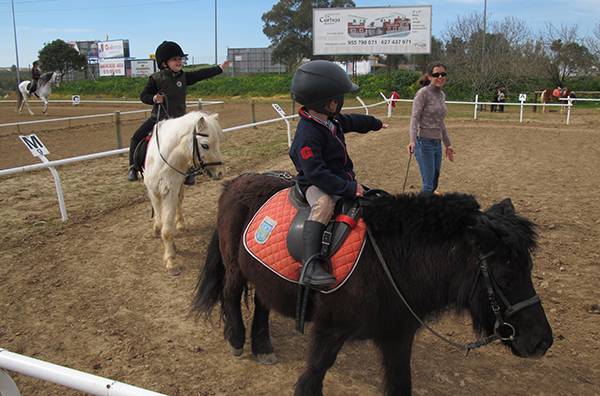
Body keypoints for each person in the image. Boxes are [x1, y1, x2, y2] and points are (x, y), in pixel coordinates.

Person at [289, 60, 388, 290]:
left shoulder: (329, 120)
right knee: (323, 205)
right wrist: (348, 188)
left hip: (339, 178)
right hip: (315, 183)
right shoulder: (308, 134)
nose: (341, 102)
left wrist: (374, 123)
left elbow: (352, 120)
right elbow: (316, 173)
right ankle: (310, 264)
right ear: (325, 102)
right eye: (338, 98)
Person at [127, 41, 228, 183]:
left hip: (180, 121)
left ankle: (188, 172)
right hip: (159, 118)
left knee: (191, 144)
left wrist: (219, 69)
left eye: (180, 59)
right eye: (175, 59)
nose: (179, 62)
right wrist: (154, 98)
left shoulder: (184, 77)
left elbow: (201, 74)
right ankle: (134, 167)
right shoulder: (155, 79)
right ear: (164, 63)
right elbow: (143, 96)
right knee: (136, 137)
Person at [406, 62, 455, 194]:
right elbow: (414, 118)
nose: (440, 77)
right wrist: (412, 141)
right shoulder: (423, 93)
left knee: (434, 183)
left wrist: (448, 145)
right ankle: (420, 212)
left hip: (437, 143)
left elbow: (441, 122)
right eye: (436, 74)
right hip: (423, 143)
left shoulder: (441, 95)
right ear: (429, 76)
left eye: (443, 74)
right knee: (428, 186)